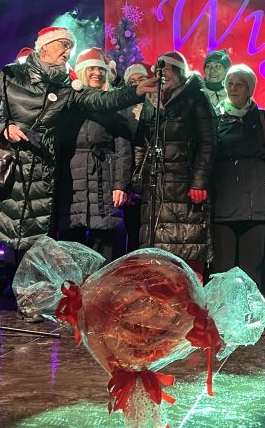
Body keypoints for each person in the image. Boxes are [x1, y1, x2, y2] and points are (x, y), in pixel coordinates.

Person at [0, 26, 156, 321]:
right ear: (44, 47)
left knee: (29, 240)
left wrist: (134, 91)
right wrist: (2, 126)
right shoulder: (11, 74)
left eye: (70, 47)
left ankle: (27, 299)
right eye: (62, 45)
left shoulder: (67, 88)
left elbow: (100, 101)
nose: (67, 51)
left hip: (37, 171)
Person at [136, 51, 216, 276]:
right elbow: (141, 142)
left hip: (184, 185)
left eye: (168, 70)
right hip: (155, 187)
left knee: (185, 245)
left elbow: (208, 142)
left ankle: (189, 292)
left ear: (180, 73)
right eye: (158, 70)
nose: (162, 74)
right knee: (155, 252)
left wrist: (199, 181)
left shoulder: (195, 99)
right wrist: (139, 174)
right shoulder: (150, 102)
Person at [57, 48, 132, 261]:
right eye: (91, 69)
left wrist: (120, 185)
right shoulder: (69, 103)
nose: (97, 73)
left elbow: (123, 149)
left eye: (101, 70)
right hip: (72, 181)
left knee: (104, 240)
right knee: (72, 241)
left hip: (104, 180)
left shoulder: (114, 106)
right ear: (81, 72)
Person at [210, 64, 265, 290]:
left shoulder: (264, 119)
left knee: (253, 267)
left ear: (249, 89)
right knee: (222, 266)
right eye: (230, 84)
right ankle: (222, 308)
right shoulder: (215, 118)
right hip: (223, 201)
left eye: (239, 85)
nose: (233, 89)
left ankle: (252, 308)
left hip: (255, 203)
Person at [120, 62, 150, 251]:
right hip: (132, 179)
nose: (138, 84)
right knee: (133, 232)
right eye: (132, 82)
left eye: (141, 79)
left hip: (152, 178)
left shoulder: (159, 105)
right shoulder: (123, 111)